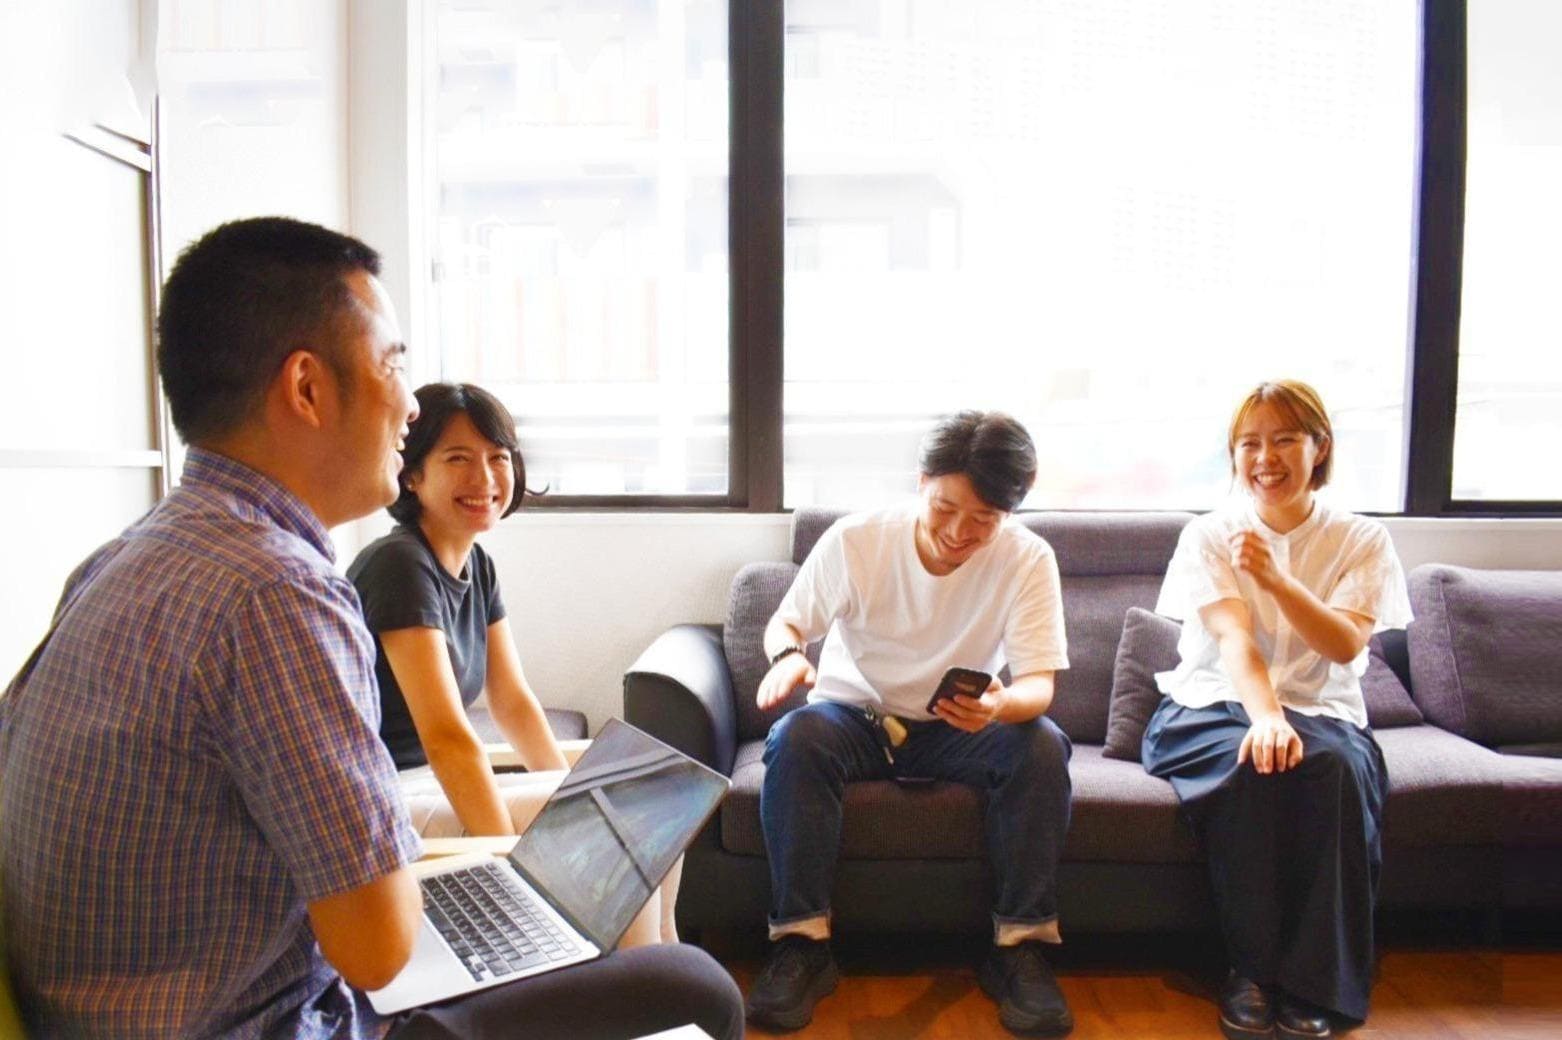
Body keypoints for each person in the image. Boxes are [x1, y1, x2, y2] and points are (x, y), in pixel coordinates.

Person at [0, 217, 742, 1040]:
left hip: (96, 1011)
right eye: (393, 362)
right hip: (259, 1023)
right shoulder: (277, 591)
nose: (410, 400)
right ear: (308, 388)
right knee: (691, 986)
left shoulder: (124, 555)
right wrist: (502, 883)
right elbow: (379, 949)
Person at [745, 410, 1074, 1036]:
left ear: (1011, 512)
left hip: (957, 726)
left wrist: (1001, 705)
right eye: (946, 508)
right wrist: (789, 659)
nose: (959, 532)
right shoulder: (859, 540)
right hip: (857, 715)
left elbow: (1039, 683)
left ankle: (1018, 949)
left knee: (1041, 747)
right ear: (921, 481)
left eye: (984, 520)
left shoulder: (1028, 559)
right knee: (796, 738)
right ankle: (802, 946)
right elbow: (786, 623)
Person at [348, 381, 677, 946]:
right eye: (458, 459)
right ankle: (632, 999)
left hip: (429, 785)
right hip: (388, 797)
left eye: (497, 458)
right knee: (616, 824)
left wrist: (566, 788)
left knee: (648, 802)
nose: (485, 479)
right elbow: (447, 735)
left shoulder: (477, 563)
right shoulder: (399, 565)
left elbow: (513, 701)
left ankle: (663, 975)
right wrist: (504, 859)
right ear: (412, 474)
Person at [1141, 380, 1411, 1040]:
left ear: (1319, 448)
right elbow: (1234, 640)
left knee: (1336, 770)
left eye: (1285, 439)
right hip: (1210, 705)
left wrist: (1276, 579)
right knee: (1253, 764)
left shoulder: (1362, 540)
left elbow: (1346, 641)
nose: (1266, 457)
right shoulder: (1208, 535)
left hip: (1323, 708)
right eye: (1249, 443)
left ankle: (1319, 986)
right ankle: (1251, 974)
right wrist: (1265, 719)